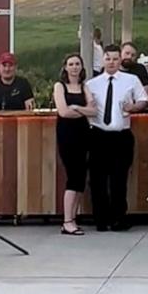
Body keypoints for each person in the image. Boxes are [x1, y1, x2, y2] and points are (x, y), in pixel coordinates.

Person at [84, 43, 148, 232]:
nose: (111, 62)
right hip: (98, 135)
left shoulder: (131, 80)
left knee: (119, 179)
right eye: (108, 59)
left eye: (115, 59)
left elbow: (144, 100)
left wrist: (133, 107)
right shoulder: (91, 84)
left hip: (121, 136)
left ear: (120, 60)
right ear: (103, 60)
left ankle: (118, 218)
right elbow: (86, 106)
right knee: (97, 180)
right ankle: (101, 219)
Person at [52, 53, 98, 236]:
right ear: (65, 67)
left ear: (82, 66)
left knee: (80, 176)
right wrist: (83, 111)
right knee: (73, 175)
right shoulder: (59, 86)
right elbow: (63, 112)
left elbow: (94, 111)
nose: (74, 67)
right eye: (71, 64)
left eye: (77, 63)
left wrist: (77, 108)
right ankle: (67, 221)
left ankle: (73, 218)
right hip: (66, 134)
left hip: (83, 134)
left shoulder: (84, 87)